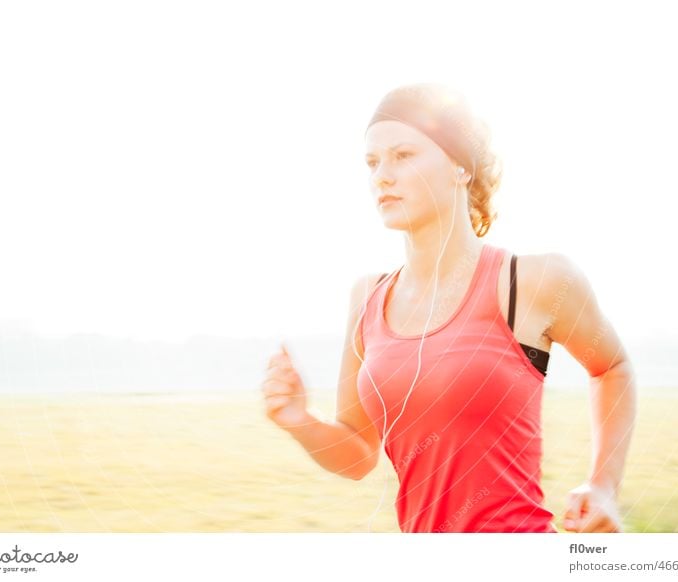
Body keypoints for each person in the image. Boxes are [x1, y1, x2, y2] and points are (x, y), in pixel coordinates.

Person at [261, 83, 637, 533]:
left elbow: (611, 367)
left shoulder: (532, 282)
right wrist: (299, 421)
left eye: (403, 155)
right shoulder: (367, 298)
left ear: (460, 168)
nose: (382, 175)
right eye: (372, 162)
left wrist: (603, 486)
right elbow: (358, 454)